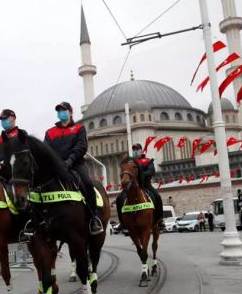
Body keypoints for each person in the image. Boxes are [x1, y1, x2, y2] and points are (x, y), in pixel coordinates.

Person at [44, 101, 103, 235]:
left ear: (70, 112)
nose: (61, 113)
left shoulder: (79, 128)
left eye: (64, 110)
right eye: (59, 111)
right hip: (56, 167)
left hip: (76, 165)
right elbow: (46, 150)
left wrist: (69, 161)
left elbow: (81, 147)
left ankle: (93, 218)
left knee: (87, 184)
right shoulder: (50, 132)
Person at [115, 143, 164, 227]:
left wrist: (139, 175)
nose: (135, 151)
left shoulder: (148, 161)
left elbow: (151, 172)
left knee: (157, 196)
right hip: (131, 186)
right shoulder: (129, 163)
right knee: (119, 198)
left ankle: (160, 220)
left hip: (145, 185)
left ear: (141, 150)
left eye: (137, 149)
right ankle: (122, 222)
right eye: (134, 149)